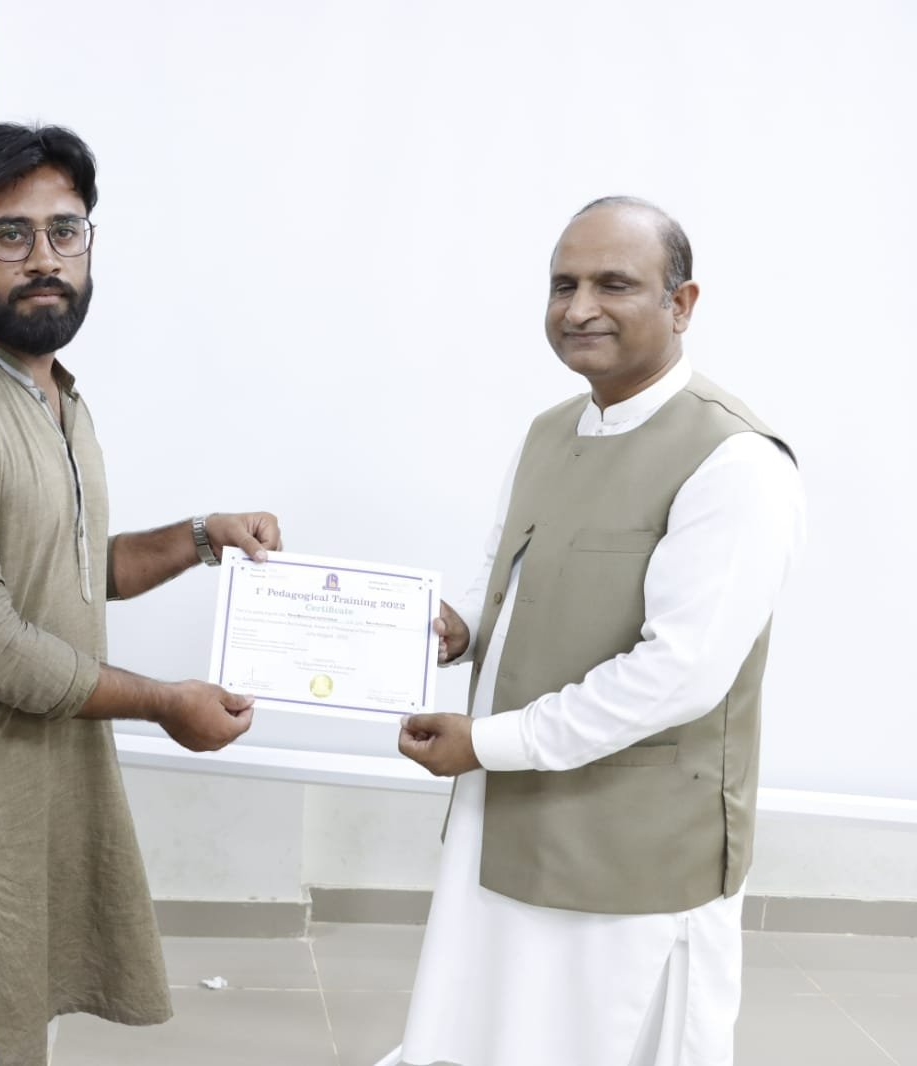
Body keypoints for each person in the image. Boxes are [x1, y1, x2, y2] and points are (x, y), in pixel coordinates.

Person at [0, 122, 281, 1066]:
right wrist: (163, 702)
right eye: (11, 234)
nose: (44, 258)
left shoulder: (59, 397)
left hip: (44, 786)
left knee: (12, 1037)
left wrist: (202, 537)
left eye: (65, 230)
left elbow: (76, 570)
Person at [388, 197, 806, 1066]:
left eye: (613, 284)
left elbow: (678, 674)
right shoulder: (550, 431)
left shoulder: (736, 460)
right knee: (491, 1030)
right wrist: (464, 627)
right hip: (509, 813)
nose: (579, 309)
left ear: (681, 304)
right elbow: (513, 571)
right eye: (563, 285)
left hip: (634, 844)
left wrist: (486, 743)